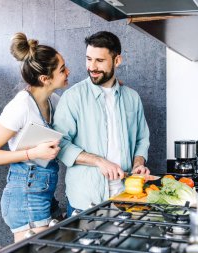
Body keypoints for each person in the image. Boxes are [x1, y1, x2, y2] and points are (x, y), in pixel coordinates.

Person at [0, 32, 70, 242]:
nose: (68, 72)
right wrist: (32, 153)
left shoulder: (54, 100)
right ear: (45, 79)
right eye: (62, 69)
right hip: (24, 197)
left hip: (44, 194)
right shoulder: (20, 106)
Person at [53, 31, 150, 212]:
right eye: (89, 59)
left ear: (117, 61)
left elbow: (142, 139)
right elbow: (60, 144)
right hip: (85, 203)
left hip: (127, 198)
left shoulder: (132, 97)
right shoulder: (73, 97)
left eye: (99, 60)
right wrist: (99, 161)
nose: (92, 67)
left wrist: (138, 164)